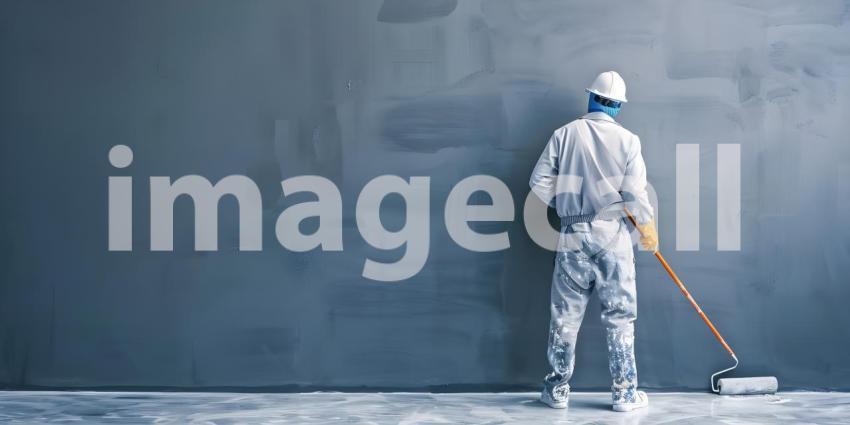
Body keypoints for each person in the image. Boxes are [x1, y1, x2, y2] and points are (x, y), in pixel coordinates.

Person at [529, 71, 658, 412]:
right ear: (617, 105)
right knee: (620, 314)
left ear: (591, 96)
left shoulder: (565, 134)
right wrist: (646, 227)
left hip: (572, 233)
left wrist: (565, 205)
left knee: (564, 315)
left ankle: (556, 390)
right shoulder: (629, 140)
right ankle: (625, 394)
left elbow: (538, 181)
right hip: (612, 234)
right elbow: (635, 195)